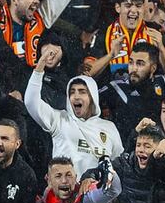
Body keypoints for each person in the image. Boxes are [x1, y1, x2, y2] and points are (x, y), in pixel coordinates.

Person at [26, 45, 123, 177]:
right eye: (72, 92)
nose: (76, 96)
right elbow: (31, 102)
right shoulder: (59, 120)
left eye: (82, 92)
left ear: (93, 97)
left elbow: (118, 164)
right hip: (65, 193)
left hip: (96, 194)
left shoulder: (109, 128)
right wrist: (41, 64)